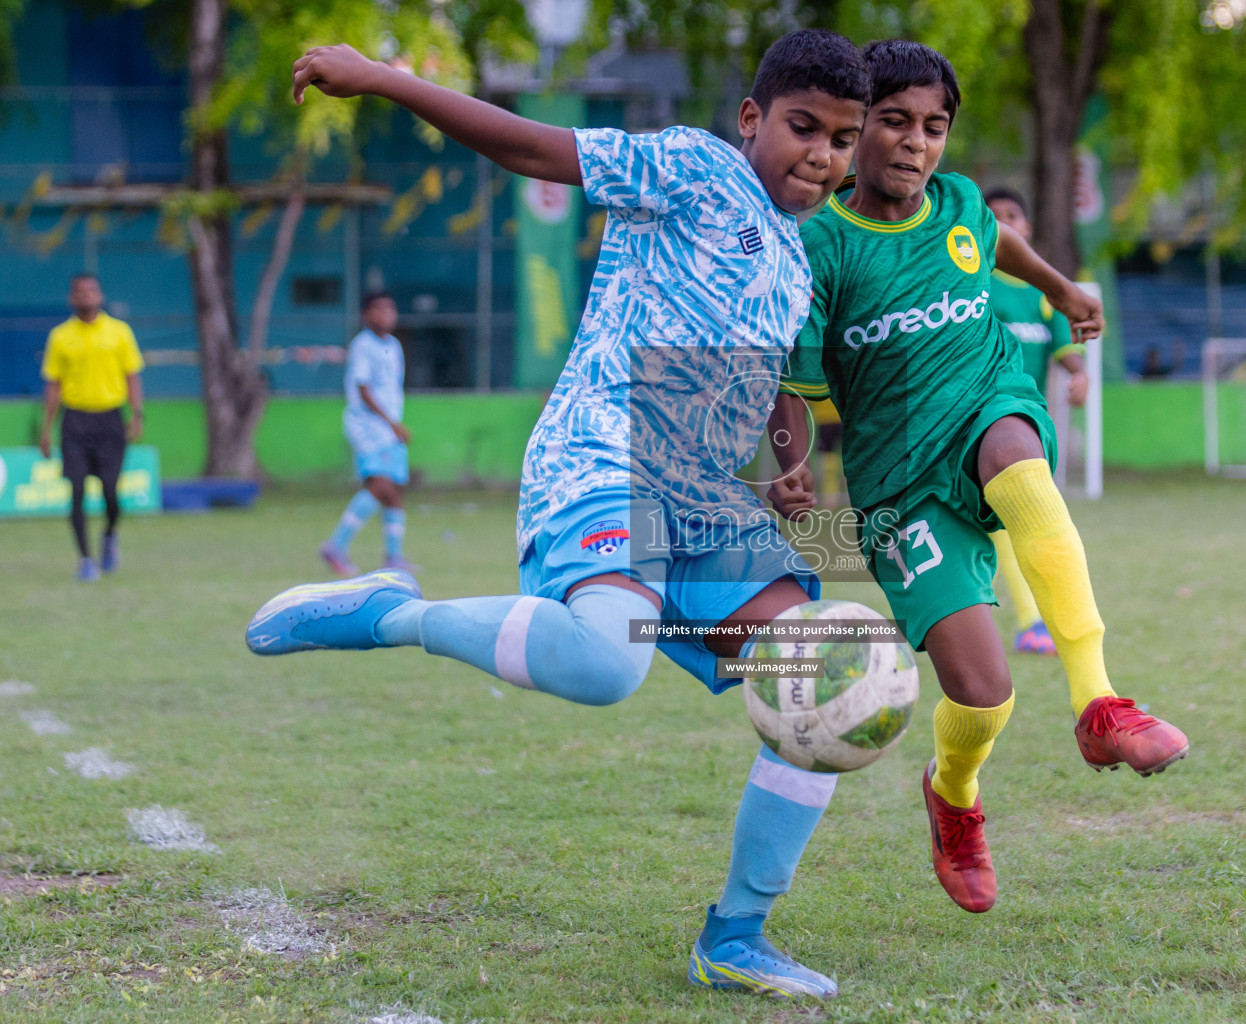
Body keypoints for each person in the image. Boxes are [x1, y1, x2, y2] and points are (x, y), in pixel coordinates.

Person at [247, 30, 871, 998]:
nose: (824, 156)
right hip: (604, 448)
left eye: (843, 139)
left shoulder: (798, 258)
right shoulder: (696, 167)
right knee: (604, 661)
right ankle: (391, 611)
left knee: (829, 684)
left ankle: (735, 936)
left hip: (704, 499)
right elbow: (538, 149)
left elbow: (773, 383)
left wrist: (790, 472)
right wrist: (385, 80)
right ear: (752, 119)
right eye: (804, 128)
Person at [768, 40, 1187, 916]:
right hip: (895, 485)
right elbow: (787, 378)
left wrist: (1063, 287)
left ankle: (1101, 704)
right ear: (854, 132)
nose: (917, 143)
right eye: (894, 123)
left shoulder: (958, 203)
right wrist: (793, 467)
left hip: (986, 403)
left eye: (934, 126)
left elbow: (999, 244)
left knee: (1019, 462)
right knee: (982, 691)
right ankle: (953, 794)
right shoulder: (823, 248)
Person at [982, 186, 1089, 656]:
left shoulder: (1046, 297)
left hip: (1029, 424)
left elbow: (1068, 352)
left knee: (1018, 523)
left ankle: (1035, 621)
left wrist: (1080, 376)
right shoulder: (975, 285)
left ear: (1025, 230)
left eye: (1012, 216)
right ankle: (1029, 621)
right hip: (976, 419)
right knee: (1006, 520)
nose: (1004, 224)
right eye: (993, 217)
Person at [38, 273, 145, 581]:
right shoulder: (60, 336)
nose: (86, 296)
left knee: (111, 492)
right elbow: (53, 384)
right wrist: (47, 429)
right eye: (80, 292)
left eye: (91, 291)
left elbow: (132, 375)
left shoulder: (119, 332)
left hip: (110, 420)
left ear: (100, 296)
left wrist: (136, 414)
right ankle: (86, 560)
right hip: (74, 421)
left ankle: (110, 535)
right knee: (77, 490)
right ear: (72, 298)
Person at [320, 291, 414, 574]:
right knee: (380, 485)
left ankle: (394, 556)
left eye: (390, 309)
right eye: (379, 309)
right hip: (370, 427)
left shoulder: (393, 345)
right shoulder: (363, 345)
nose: (386, 314)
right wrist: (391, 423)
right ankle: (336, 545)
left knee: (395, 489)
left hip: (389, 426)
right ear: (366, 315)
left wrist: (394, 422)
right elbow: (364, 390)